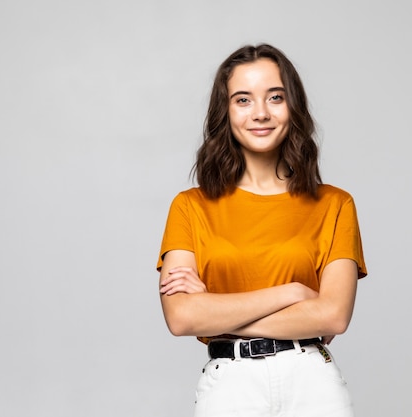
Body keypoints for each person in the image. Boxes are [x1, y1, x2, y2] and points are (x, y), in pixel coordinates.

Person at [157, 43, 368, 417]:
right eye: (243, 100)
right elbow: (182, 318)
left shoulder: (335, 204)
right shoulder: (190, 206)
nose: (260, 113)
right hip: (230, 387)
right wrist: (295, 293)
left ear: (293, 108)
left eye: (275, 97)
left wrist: (217, 310)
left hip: (312, 384)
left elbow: (334, 316)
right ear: (225, 112)